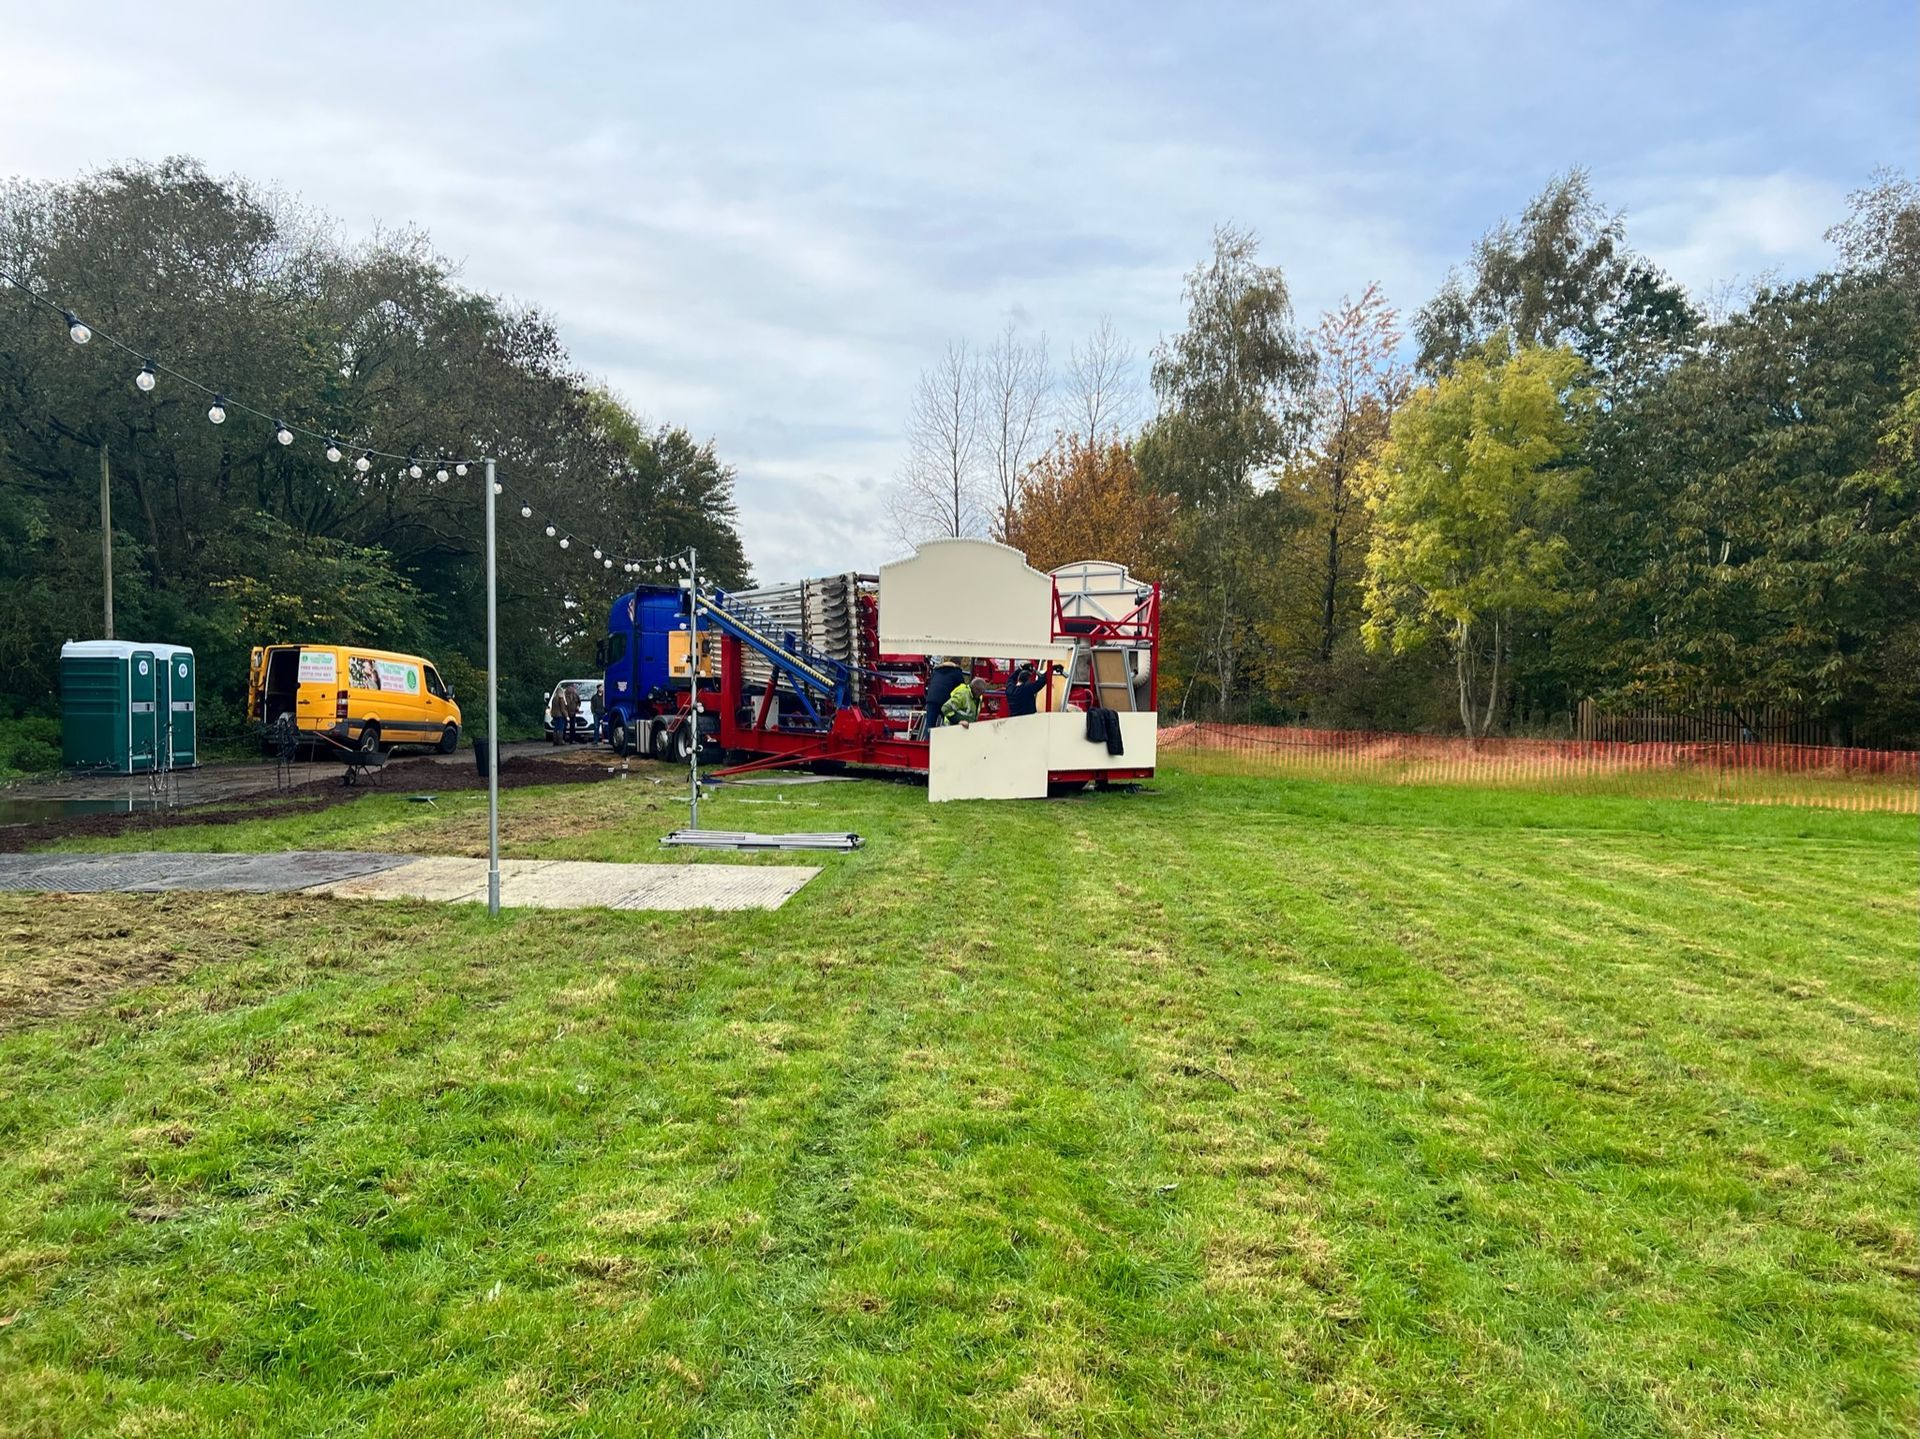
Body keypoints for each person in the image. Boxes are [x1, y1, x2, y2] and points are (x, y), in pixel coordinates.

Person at [922, 657, 966, 734]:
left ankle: (927, 743)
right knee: (949, 724)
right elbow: (962, 689)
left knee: (929, 726)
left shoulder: (936, 671)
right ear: (958, 664)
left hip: (931, 699)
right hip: (945, 701)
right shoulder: (956, 672)